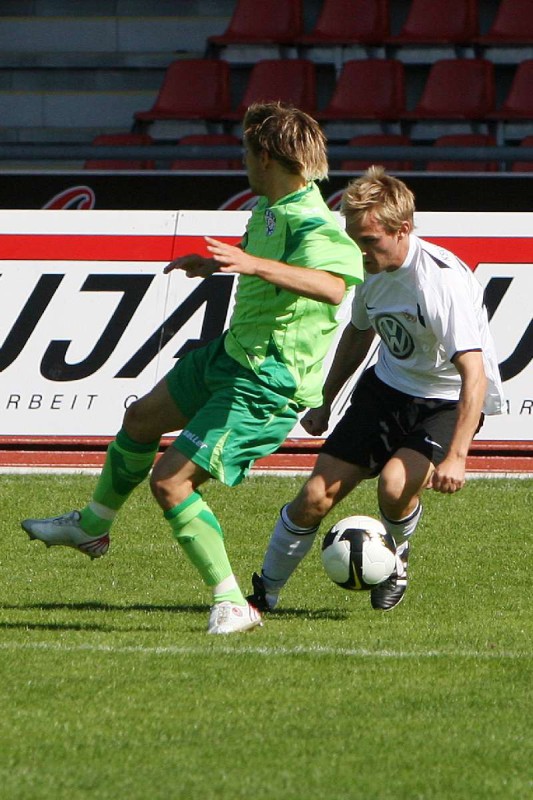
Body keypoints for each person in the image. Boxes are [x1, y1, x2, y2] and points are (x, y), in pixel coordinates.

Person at [21, 102, 364, 634]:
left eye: (246, 152)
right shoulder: (270, 208)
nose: (242, 163)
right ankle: (91, 525)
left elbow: (332, 287)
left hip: (266, 382)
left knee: (170, 482)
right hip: (231, 355)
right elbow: (268, 264)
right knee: (140, 420)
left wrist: (251, 264)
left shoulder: (313, 222)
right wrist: (215, 266)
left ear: (266, 156)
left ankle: (233, 603)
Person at [247, 165, 505, 613]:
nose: (360, 251)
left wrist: (458, 456)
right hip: (386, 388)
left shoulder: (440, 281)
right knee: (314, 497)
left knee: (394, 485)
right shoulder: (368, 268)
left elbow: (473, 373)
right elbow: (359, 332)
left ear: (402, 230)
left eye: (369, 240)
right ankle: (263, 593)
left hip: (444, 401)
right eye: (354, 240)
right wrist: (325, 400)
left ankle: (396, 559)